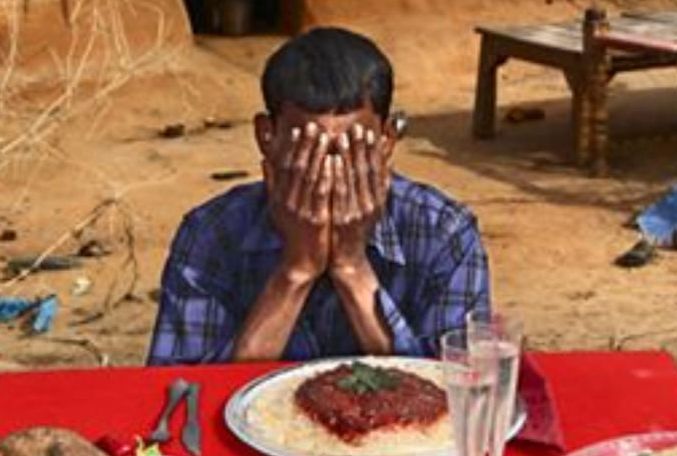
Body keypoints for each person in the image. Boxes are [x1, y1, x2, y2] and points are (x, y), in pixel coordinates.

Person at [148, 27, 490, 364]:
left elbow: (459, 385)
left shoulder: (445, 232)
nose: (328, 172)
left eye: (350, 150)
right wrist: (296, 269)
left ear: (386, 140)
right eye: (308, 150)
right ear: (267, 137)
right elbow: (183, 388)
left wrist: (352, 267)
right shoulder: (210, 233)